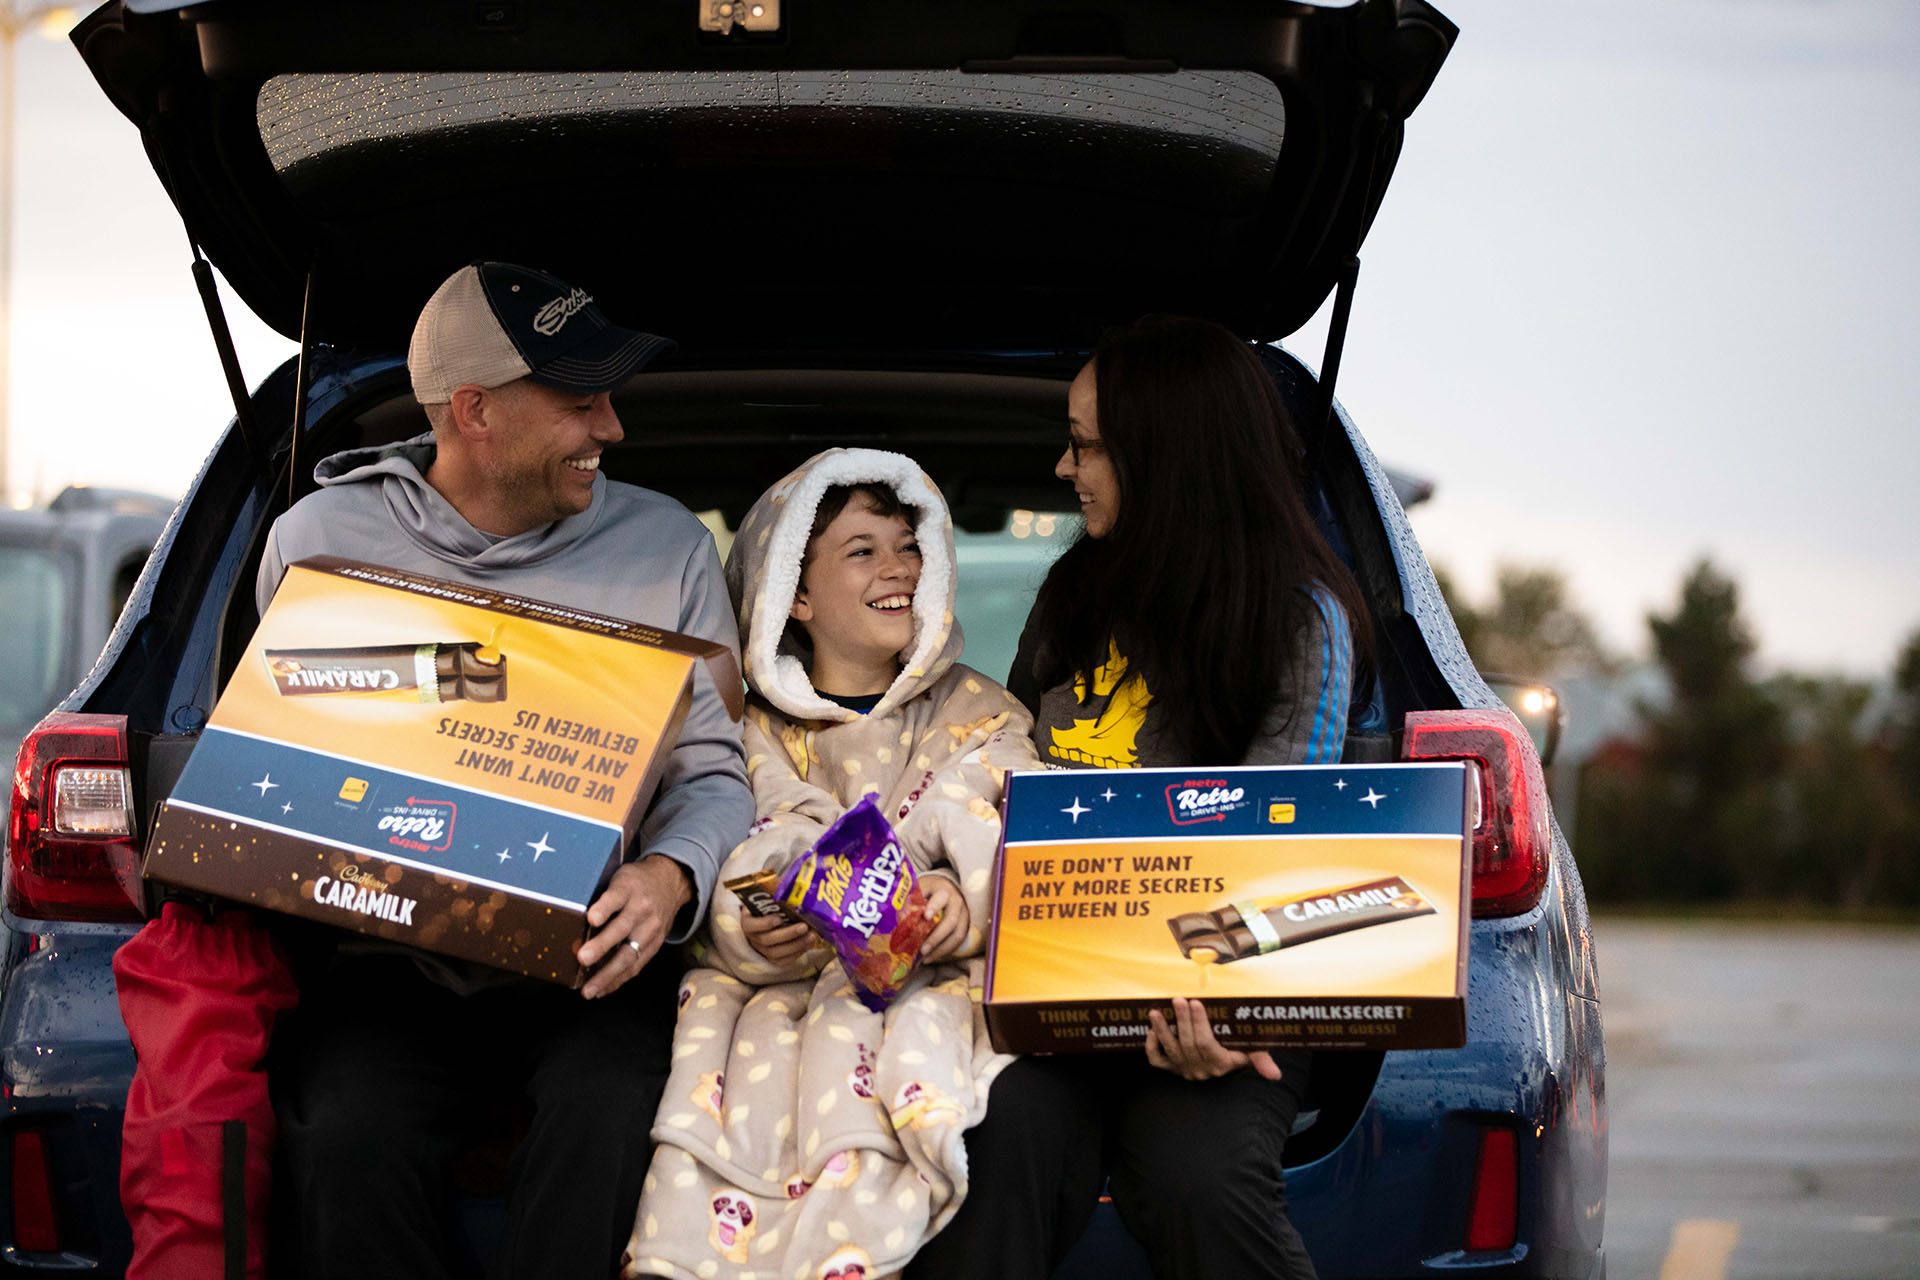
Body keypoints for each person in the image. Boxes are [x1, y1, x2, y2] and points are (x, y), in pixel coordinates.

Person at [256, 261, 753, 1280]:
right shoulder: (318, 542)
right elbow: (276, 761)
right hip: (387, 960)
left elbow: (714, 766)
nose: (612, 427)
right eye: (580, 402)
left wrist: (670, 877)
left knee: (618, 1117)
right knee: (343, 1134)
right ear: (474, 410)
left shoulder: (665, 545)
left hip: (593, 965)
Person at [908, 316, 1370, 1280]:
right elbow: (1006, 762)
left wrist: (1227, 1012)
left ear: (1168, 452)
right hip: (1053, 980)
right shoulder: (1074, 590)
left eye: (1086, 445)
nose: (1064, 467)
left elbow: (1280, 853)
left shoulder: (1298, 618)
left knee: (1196, 1181)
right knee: (984, 1150)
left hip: (1216, 996)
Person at [622, 448, 1041, 1280]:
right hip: (779, 1004)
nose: (899, 568)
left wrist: (960, 899)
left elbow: (1007, 822)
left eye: (909, 545)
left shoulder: (982, 712)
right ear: (796, 595)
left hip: (929, 989)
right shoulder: (750, 733)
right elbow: (740, 839)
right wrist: (762, 920)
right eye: (863, 550)